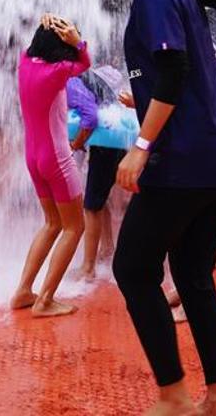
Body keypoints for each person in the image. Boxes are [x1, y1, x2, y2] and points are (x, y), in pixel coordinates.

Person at [101, 0, 216, 416]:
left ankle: (173, 396)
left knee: (133, 268)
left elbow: (173, 68)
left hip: (181, 161)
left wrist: (141, 147)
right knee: (192, 274)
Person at [12, 16, 91, 316]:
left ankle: (23, 290)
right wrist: (78, 43)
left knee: (52, 223)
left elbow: (36, 46)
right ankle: (45, 300)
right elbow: (84, 62)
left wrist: (49, 25)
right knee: (75, 226)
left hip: (32, 157)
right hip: (57, 159)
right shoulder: (56, 73)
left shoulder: (24, 63)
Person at [71, 63, 126, 278]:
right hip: (114, 137)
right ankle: (107, 248)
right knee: (99, 199)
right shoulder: (85, 77)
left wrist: (76, 143)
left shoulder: (71, 81)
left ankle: (88, 268)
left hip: (106, 143)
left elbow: (90, 117)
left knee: (91, 206)